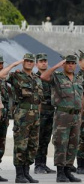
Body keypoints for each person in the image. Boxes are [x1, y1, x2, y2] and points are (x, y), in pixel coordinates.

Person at [0, 53, 44, 183]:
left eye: (32, 61)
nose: (29, 63)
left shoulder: (37, 78)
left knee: (32, 145)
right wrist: (14, 64)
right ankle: (19, 175)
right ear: (23, 62)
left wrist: (39, 114)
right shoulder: (16, 76)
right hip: (22, 114)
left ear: (35, 63)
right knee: (21, 145)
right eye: (27, 61)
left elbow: (39, 100)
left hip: (35, 114)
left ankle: (26, 172)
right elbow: (1, 75)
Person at [40, 55, 83, 183]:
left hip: (76, 115)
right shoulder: (57, 77)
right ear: (64, 65)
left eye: (72, 63)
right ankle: (60, 173)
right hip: (62, 116)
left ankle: (68, 171)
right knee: (61, 143)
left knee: (73, 144)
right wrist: (56, 66)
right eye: (68, 63)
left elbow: (81, 97)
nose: (70, 65)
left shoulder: (78, 78)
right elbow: (43, 76)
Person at [34, 53, 57, 174]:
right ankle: (38, 165)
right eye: (41, 61)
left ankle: (43, 164)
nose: (44, 63)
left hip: (51, 111)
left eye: (45, 61)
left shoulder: (50, 77)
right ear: (37, 64)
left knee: (46, 139)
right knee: (39, 138)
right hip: (41, 112)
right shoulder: (34, 77)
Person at [0, 55, 10, 182]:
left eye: (1, 63)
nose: (1, 66)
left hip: (4, 118)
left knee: (1, 145)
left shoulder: (3, 80)